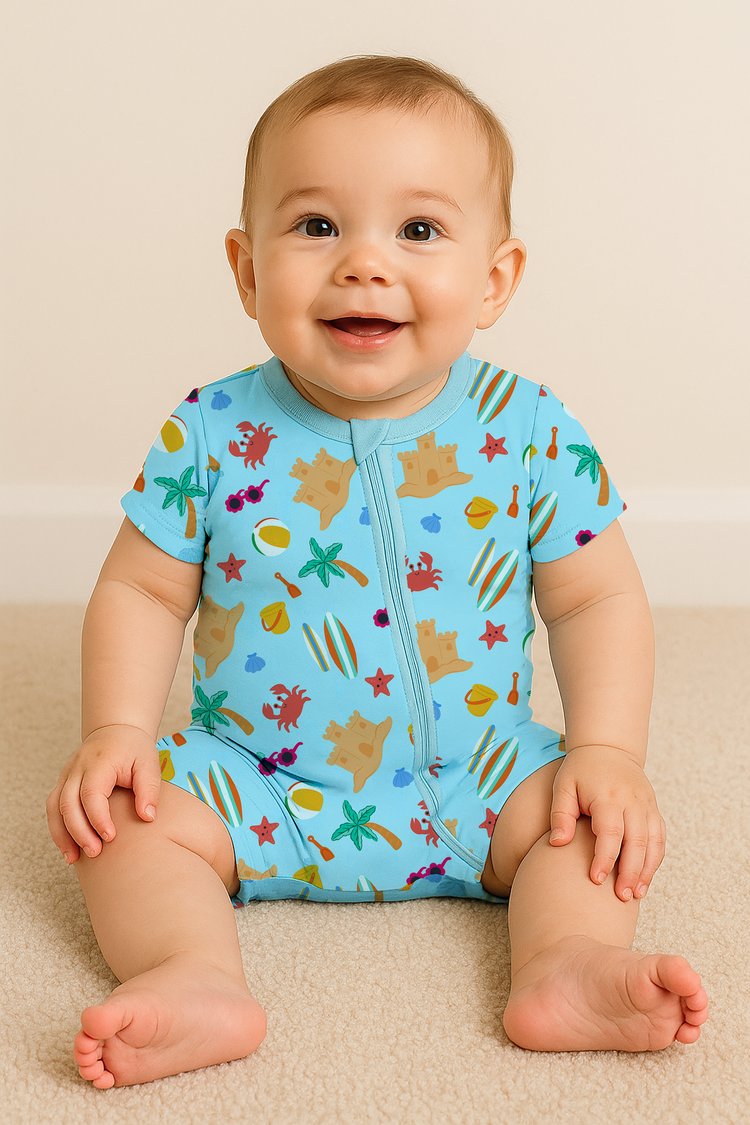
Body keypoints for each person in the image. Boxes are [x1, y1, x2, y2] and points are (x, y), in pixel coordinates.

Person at [46, 54, 709, 1089]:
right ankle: (191, 972)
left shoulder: (528, 429)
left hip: (481, 772)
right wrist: (118, 733)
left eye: (420, 230)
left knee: (591, 824)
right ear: (246, 269)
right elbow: (141, 588)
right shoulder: (212, 430)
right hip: (259, 777)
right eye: (317, 226)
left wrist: (607, 749)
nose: (364, 263)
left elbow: (597, 597)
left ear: (494, 279)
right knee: (123, 824)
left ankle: (564, 961)